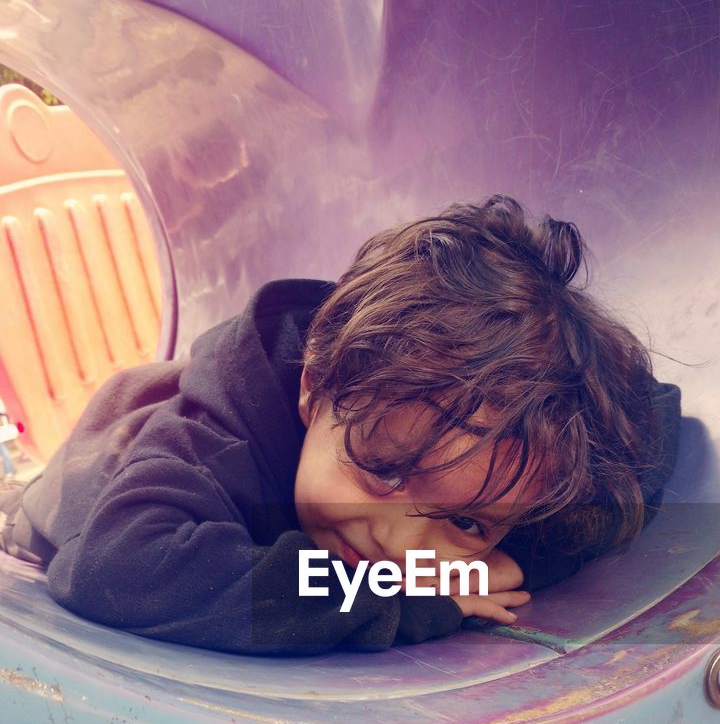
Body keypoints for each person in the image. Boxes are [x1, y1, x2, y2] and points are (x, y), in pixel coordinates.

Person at [0, 195, 681, 655]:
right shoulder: (217, 437)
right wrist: (412, 601)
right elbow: (117, 569)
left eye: (468, 523)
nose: (400, 543)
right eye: (384, 471)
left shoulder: (500, 458)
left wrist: (502, 562)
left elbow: (653, 426)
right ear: (313, 387)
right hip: (77, 505)